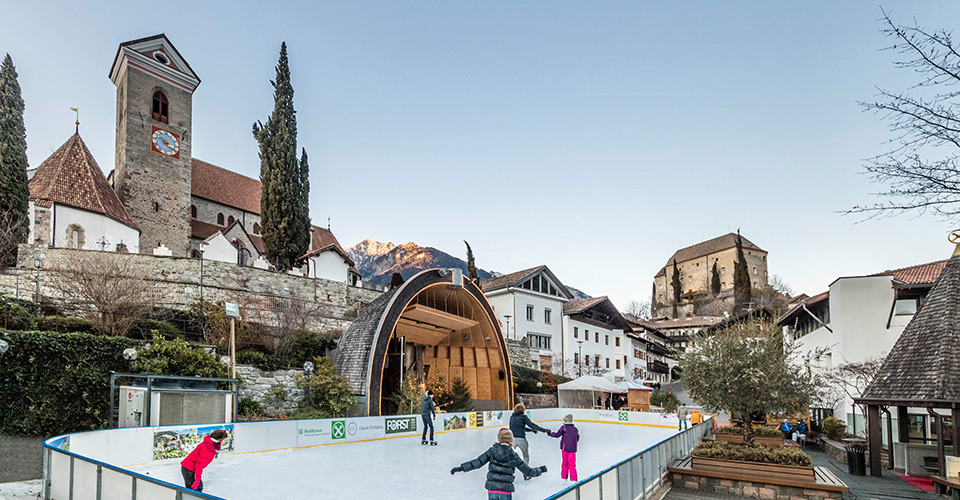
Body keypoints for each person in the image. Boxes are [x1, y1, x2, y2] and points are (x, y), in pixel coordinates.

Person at [450, 428, 547, 500]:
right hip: (505, 491)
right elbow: (528, 471)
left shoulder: (492, 451)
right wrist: (540, 470)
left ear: (499, 438)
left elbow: (477, 462)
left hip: (492, 490)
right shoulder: (513, 455)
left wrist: (461, 468)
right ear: (511, 440)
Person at [549, 414, 581, 483]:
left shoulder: (563, 427)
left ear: (565, 420)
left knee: (565, 463)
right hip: (572, 449)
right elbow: (577, 438)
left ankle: (564, 478)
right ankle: (574, 479)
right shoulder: (575, 429)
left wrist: (550, 433)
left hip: (565, 449)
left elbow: (557, 435)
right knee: (572, 464)